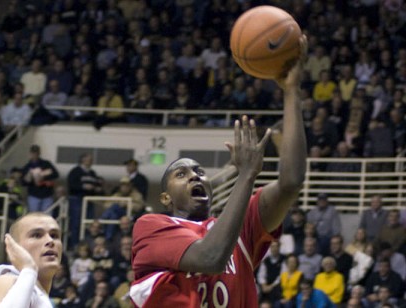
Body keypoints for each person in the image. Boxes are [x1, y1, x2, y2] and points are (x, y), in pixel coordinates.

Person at [130, 36, 308, 307]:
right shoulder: (152, 227)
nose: (194, 176)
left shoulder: (239, 224)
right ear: (165, 199)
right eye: (182, 174)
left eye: (199, 172)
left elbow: (291, 181)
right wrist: (246, 174)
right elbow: (210, 258)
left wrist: (291, 90)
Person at [0, 212, 63, 307]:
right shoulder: (7, 282)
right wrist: (29, 270)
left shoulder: (39, 295)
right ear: (13, 247)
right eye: (37, 235)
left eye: (54, 235)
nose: (50, 241)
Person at [22, 145, 59, 212]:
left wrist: (43, 176)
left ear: (39, 153)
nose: (35, 154)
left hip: (47, 194)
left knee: (46, 217)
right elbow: (24, 182)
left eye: (36, 152)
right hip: (34, 195)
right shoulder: (27, 167)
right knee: (34, 216)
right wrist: (31, 177)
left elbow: (55, 174)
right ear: (30, 153)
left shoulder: (46, 164)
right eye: (33, 153)